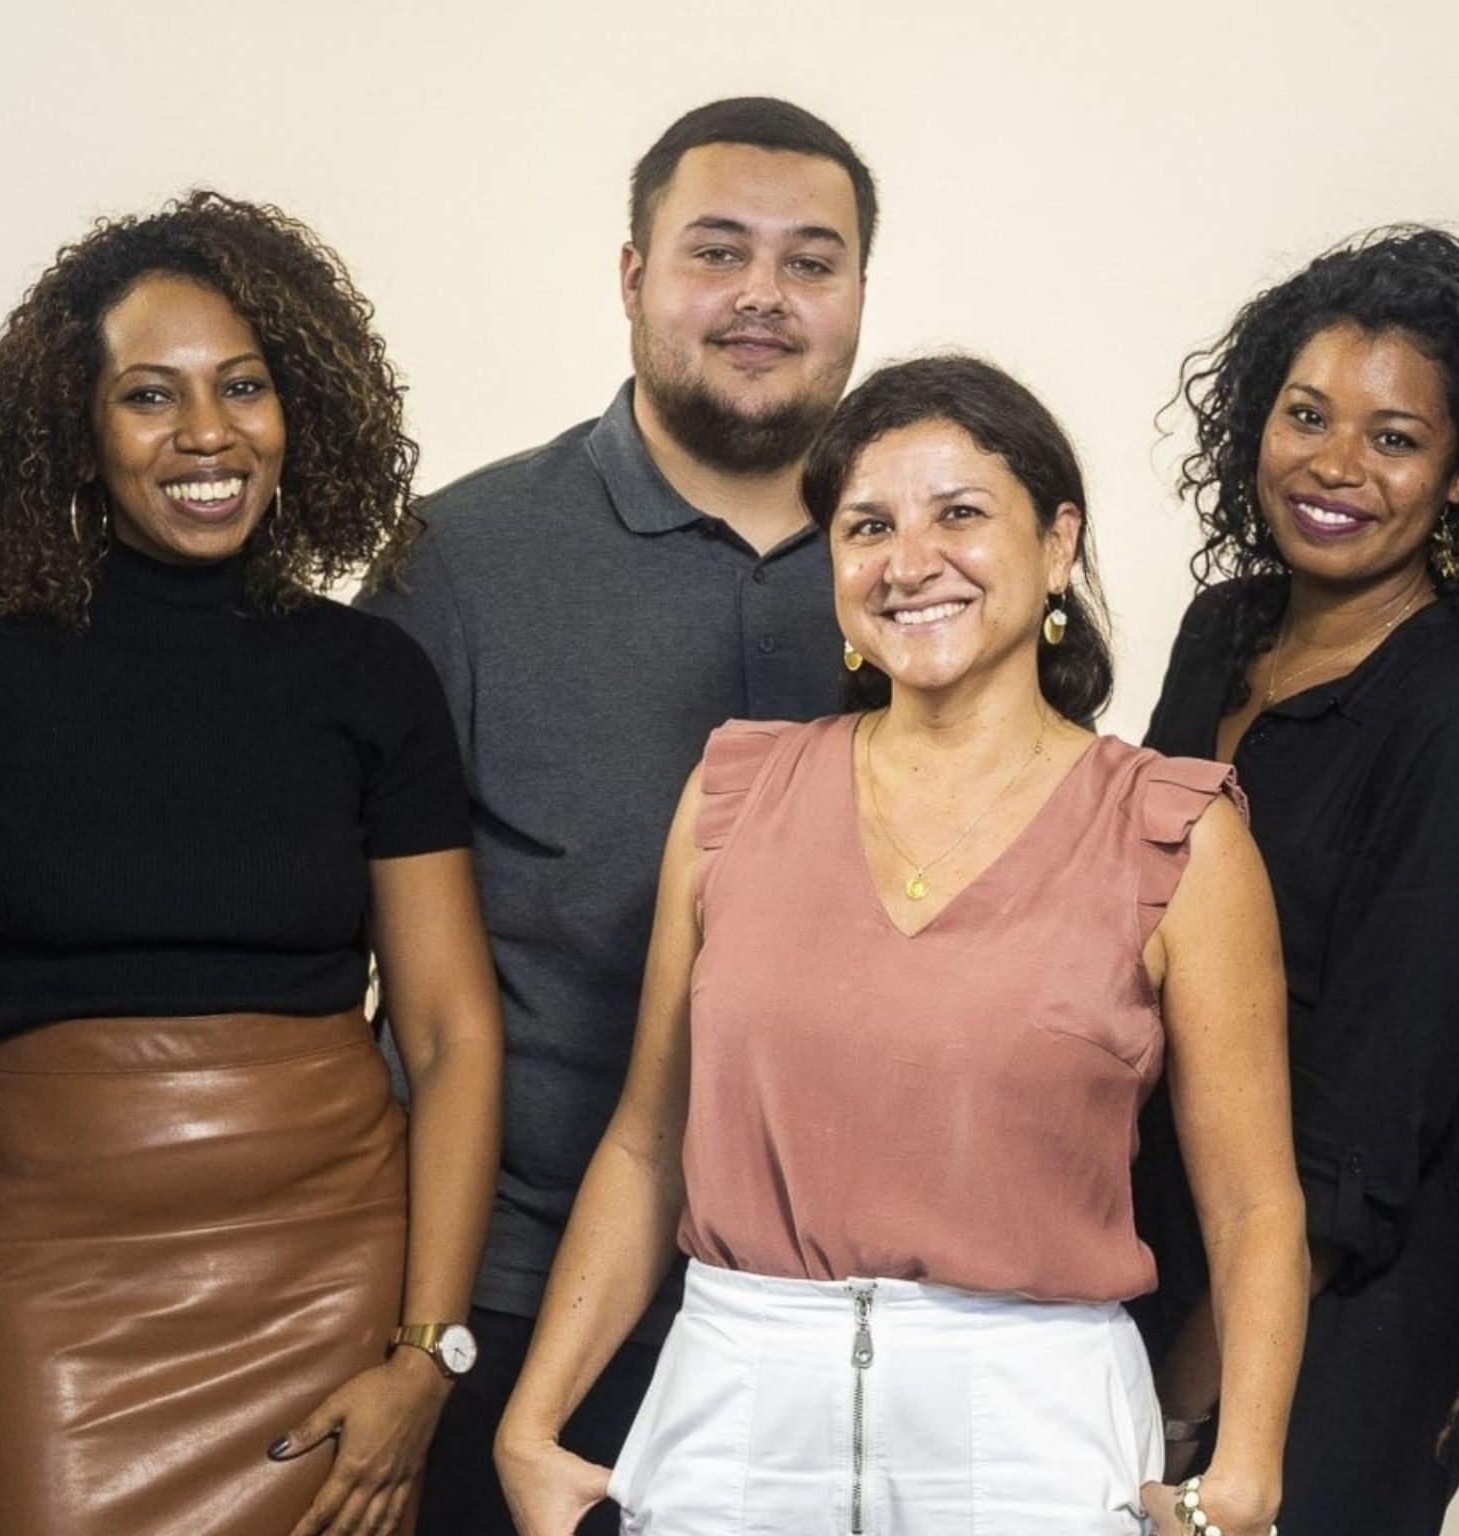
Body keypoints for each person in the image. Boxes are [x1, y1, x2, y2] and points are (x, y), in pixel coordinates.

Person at [495, 356, 1308, 1536]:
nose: (909, 560)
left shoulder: (1175, 832)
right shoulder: (734, 790)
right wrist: (532, 1424)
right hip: (734, 1412)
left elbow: (1254, 1209)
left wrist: (1245, 1469)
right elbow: (647, 1140)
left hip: (1036, 1437)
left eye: (962, 515)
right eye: (867, 526)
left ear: (1058, 541)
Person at [0, 192, 501, 1536]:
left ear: (299, 410)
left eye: (244, 387)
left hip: (327, 1267)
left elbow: (448, 1030)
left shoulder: (372, 676)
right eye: (152, 394)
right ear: (76, 432)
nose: (209, 433)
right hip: (45, 1278)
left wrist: (426, 1351)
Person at [360, 96, 875, 1532]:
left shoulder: (932, 568)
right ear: (632, 275)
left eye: (812, 262)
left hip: (843, 1318)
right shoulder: (458, 562)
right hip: (514, 1303)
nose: (764, 297)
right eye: (718, 252)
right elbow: (342, 957)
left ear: (858, 298)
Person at [1132, 226, 1459, 1535]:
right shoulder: (1224, 635)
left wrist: (1196, 1392)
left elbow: (1371, 1115)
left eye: (1395, 438)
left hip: (1343, 1296)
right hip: (1166, 1226)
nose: (1335, 467)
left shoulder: (1447, 709)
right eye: (1308, 414)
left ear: (1455, 478)